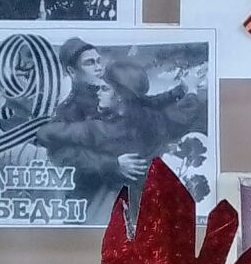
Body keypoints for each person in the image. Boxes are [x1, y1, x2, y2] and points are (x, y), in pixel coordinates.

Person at [34, 49, 204, 222]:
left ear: (120, 97)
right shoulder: (156, 121)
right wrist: (188, 90)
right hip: (147, 208)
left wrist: (111, 163)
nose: (98, 92)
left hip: (105, 208)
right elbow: (181, 112)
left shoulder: (99, 130)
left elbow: (44, 134)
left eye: (105, 88)